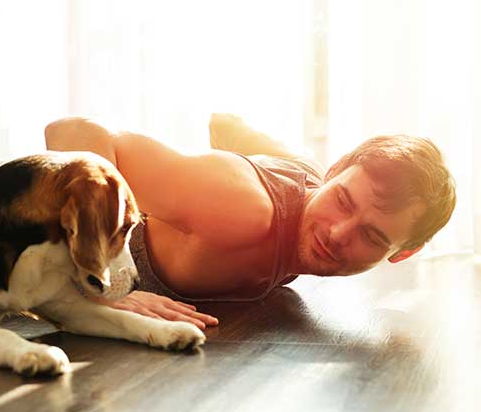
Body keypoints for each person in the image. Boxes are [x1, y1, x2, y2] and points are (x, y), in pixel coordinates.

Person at [44, 114, 456, 330]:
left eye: (371, 235)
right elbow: (72, 131)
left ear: (403, 254)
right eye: (343, 201)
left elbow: (225, 124)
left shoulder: (307, 172)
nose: (337, 233)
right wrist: (100, 285)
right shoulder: (242, 209)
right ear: (334, 170)